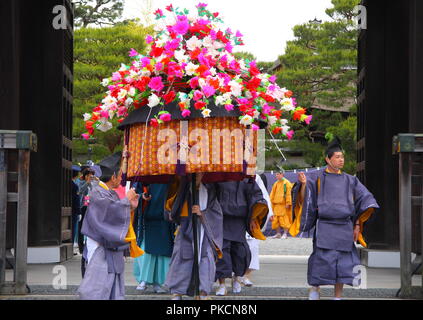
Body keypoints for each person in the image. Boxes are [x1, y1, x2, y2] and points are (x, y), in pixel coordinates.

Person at [289, 137, 379, 300]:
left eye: (342, 157)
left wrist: (357, 224)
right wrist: (302, 185)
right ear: (327, 159)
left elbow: (364, 199)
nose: (341, 160)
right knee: (321, 260)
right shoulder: (317, 178)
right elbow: (305, 199)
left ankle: (338, 296)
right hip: (325, 226)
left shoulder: (351, 180)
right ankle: (315, 289)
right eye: (337, 157)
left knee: (344, 264)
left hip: (344, 226)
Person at [77, 152, 142, 300]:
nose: (121, 178)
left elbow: (116, 211)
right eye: (119, 175)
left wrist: (130, 206)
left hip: (109, 246)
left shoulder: (107, 193)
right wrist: (126, 201)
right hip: (100, 247)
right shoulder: (97, 193)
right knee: (98, 287)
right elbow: (110, 213)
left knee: (110, 285)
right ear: (113, 177)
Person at [164, 173, 223, 300]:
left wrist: (202, 213)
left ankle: (202, 292)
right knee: (182, 259)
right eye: (193, 174)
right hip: (186, 230)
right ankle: (177, 292)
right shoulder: (183, 189)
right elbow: (173, 213)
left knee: (206, 260)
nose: (197, 176)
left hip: (205, 232)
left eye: (199, 174)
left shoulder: (209, 191)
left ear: (203, 175)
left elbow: (217, 214)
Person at [214, 177, 269, 296]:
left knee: (240, 252)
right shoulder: (218, 175)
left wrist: (254, 216)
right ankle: (222, 284)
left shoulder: (247, 177)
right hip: (222, 219)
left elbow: (256, 196)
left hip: (240, 220)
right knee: (222, 252)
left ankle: (237, 279)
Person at [133, 183, 176, 294]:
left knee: (162, 253)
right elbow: (136, 191)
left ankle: (158, 282)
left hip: (165, 218)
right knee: (147, 252)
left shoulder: (170, 174)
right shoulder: (145, 174)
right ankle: (144, 280)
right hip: (148, 217)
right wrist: (142, 196)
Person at [241, 174, 274, 287]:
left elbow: (263, 196)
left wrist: (267, 213)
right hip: (236, 215)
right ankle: (236, 275)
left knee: (252, 247)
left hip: (252, 215)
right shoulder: (230, 174)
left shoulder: (255, 177)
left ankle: (246, 275)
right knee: (235, 247)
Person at [269, 171, 293, 239]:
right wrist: (270, 203)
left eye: (278, 174)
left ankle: (285, 234)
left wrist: (288, 203)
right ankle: (278, 233)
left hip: (283, 205)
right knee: (275, 220)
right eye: (276, 174)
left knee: (284, 220)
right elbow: (272, 194)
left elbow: (289, 194)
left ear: (282, 174)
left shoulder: (286, 183)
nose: (276, 175)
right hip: (276, 204)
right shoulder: (276, 183)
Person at [71, 166, 82, 252]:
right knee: (73, 229)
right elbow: (76, 199)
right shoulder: (74, 186)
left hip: (69, 209)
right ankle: (70, 247)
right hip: (74, 211)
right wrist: (79, 212)